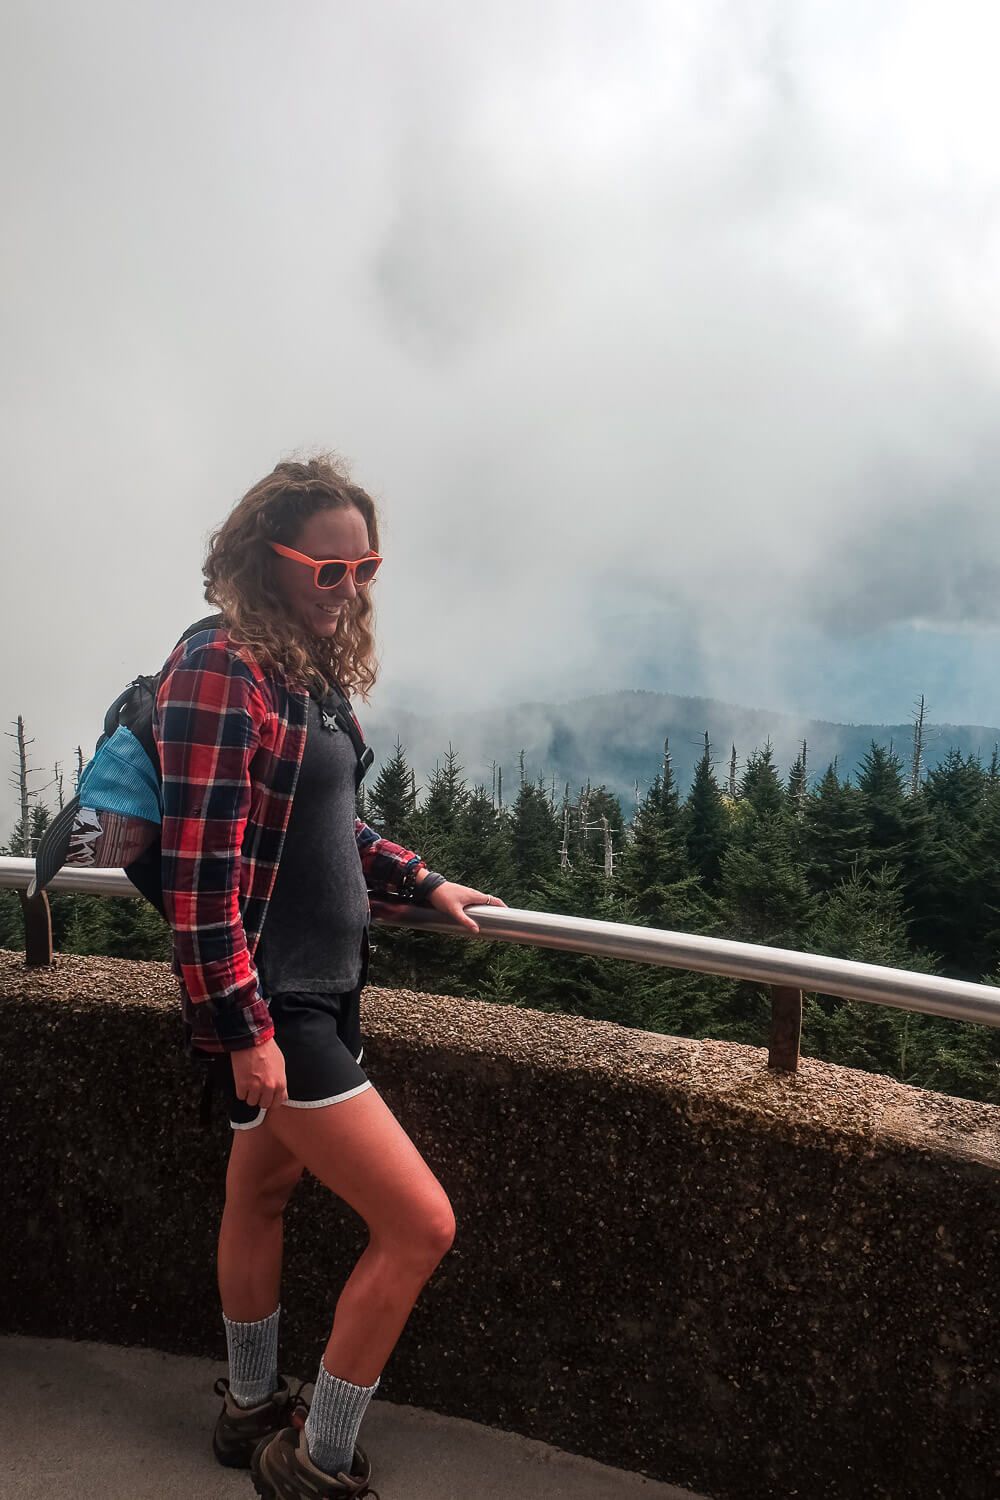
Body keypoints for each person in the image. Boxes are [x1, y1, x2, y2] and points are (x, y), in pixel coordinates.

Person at [153, 456, 506, 1500]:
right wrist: (243, 1027)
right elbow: (200, 873)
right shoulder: (221, 668)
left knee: (259, 1193)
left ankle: (250, 1407)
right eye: (328, 567)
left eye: (365, 567)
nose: (349, 587)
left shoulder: (297, 668)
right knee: (419, 1225)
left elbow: (323, 827)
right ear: (268, 558)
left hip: (314, 991)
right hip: (275, 1006)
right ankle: (316, 1457)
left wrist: (422, 879)